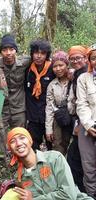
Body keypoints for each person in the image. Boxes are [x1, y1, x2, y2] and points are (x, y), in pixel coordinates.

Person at [4, 127, 93, 200]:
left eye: (22, 138)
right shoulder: (19, 178)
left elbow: (69, 195)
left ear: (30, 141)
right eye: (12, 141)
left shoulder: (54, 158)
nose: (18, 143)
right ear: (11, 149)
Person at [0, 34, 30, 138]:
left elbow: (43, 60)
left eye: (11, 49)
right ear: (1, 52)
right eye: (5, 50)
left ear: (16, 50)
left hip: (18, 108)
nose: (8, 53)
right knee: (1, 138)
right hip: (2, 108)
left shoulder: (25, 62)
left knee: (20, 136)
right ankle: (4, 155)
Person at [25, 39, 55, 150]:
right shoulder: (27, 69)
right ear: (32, 54)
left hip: (49, 116)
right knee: (33, 147)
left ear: (47, 55)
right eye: (36, 53)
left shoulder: (53, 69)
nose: (39, 56)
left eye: (42, 53)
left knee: (52, 147)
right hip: (33, 117)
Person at [67, 45, 88, 192]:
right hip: (80, 121)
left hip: (88, 124)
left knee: (79, 160)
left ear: (85, 58)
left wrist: (82, 123)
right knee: (75, 159)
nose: (75, 61)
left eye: (78, 58)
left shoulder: (88, 75)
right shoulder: (76, 75)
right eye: (72, 59)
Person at [76, 44, 96, 199]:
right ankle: (91, 196)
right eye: (94, 58)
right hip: (88, 128)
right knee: (88, 167)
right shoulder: (84, 79)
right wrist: (88, 125)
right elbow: (81, 104)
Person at [45, 51, 72, 155]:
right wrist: (48, 129)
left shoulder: (74, 80)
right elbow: (49, 107)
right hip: (59, 120)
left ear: (67, 65)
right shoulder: (52, 85)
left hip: (73, 117)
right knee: (58, 147)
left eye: (61, 65)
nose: (58, 69)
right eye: (55, 66)